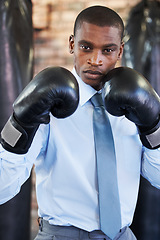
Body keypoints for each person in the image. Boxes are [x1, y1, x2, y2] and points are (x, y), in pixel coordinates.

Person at [0, 5, 160, 240]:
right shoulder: (48, 105)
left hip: (122, 235)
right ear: (72, 44)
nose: (96, 60)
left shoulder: (139, 102)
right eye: (86, 47)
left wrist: (153, 128)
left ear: (120, 51)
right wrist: (19, 124)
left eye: (107, 50)